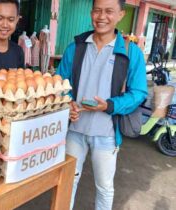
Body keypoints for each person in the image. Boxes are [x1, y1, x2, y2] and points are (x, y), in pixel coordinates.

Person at [56, 0, 147, 209]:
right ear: (91, 13)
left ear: (121, 14)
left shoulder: (130, 52)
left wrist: (110, 105)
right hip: (75, 130)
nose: (102, 16)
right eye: (97, 10)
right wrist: (68, 101)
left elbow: (139, 92)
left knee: (104, 187)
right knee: (69, 181)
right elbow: (59, 83)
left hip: (106, 133)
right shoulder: (76, 48)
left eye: (109, 11)